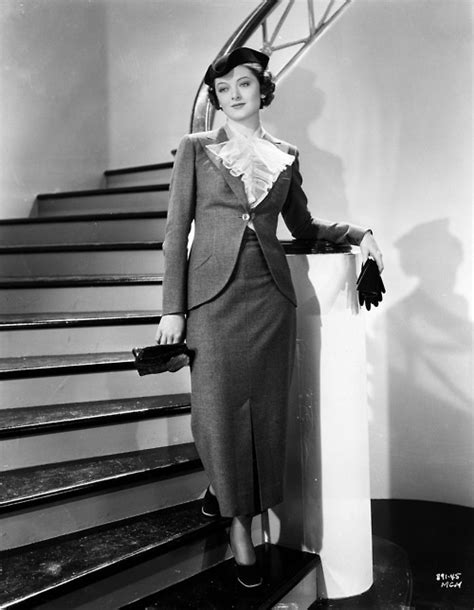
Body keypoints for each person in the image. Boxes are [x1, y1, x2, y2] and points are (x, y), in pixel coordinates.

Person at [155, 47, 383, 588]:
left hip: (270, 301)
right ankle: (236, 519)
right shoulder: (194, 149)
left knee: (266, 416)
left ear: (263, 91)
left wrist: (356, 233)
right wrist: (172, 309)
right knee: (216, 412)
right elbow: (173, 233)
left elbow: (302, 223)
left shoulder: (284, 152)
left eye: (244, 84)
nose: (233, 95)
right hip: (211, 303)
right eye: (223, 87)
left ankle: (242, 514)